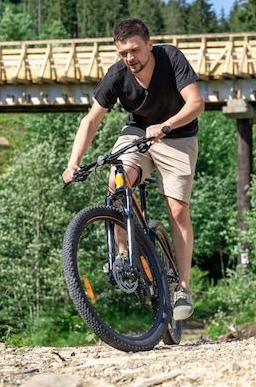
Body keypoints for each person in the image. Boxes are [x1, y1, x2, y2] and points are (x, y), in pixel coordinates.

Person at [62, 18, 204, 321]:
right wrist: (73, 163)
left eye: (135, 51)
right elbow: (91, 120)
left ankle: (183, 288)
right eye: (123, 53)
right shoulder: (117, 75)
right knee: (117, 181)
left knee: (177, 209)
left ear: (149, 45)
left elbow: (196, 103)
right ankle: (125, 252)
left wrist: (166, 126)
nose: (130, 58)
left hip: (178, 135)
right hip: (138, 133)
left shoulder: (172, 59)